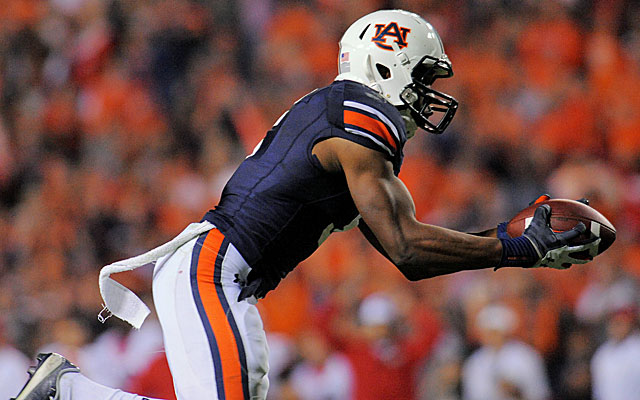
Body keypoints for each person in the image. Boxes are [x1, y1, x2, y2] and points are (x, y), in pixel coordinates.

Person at [13, 9, 599, 400]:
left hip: (218, 274)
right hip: (213, 271)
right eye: (421, 75)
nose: (429, 94)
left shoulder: (343, 118)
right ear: (387, 67)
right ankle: (66, 390)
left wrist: (507, 241)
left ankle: (65, 390)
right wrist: (517, 247)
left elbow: (412, 250)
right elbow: (407, 246)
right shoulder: (360, 121)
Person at [462, 303, 551, 400]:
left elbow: (539, 393)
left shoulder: (525, 356)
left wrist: (516, 391)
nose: (489, 337)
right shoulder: (476, 361)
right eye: (486, 332)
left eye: (494, 332)